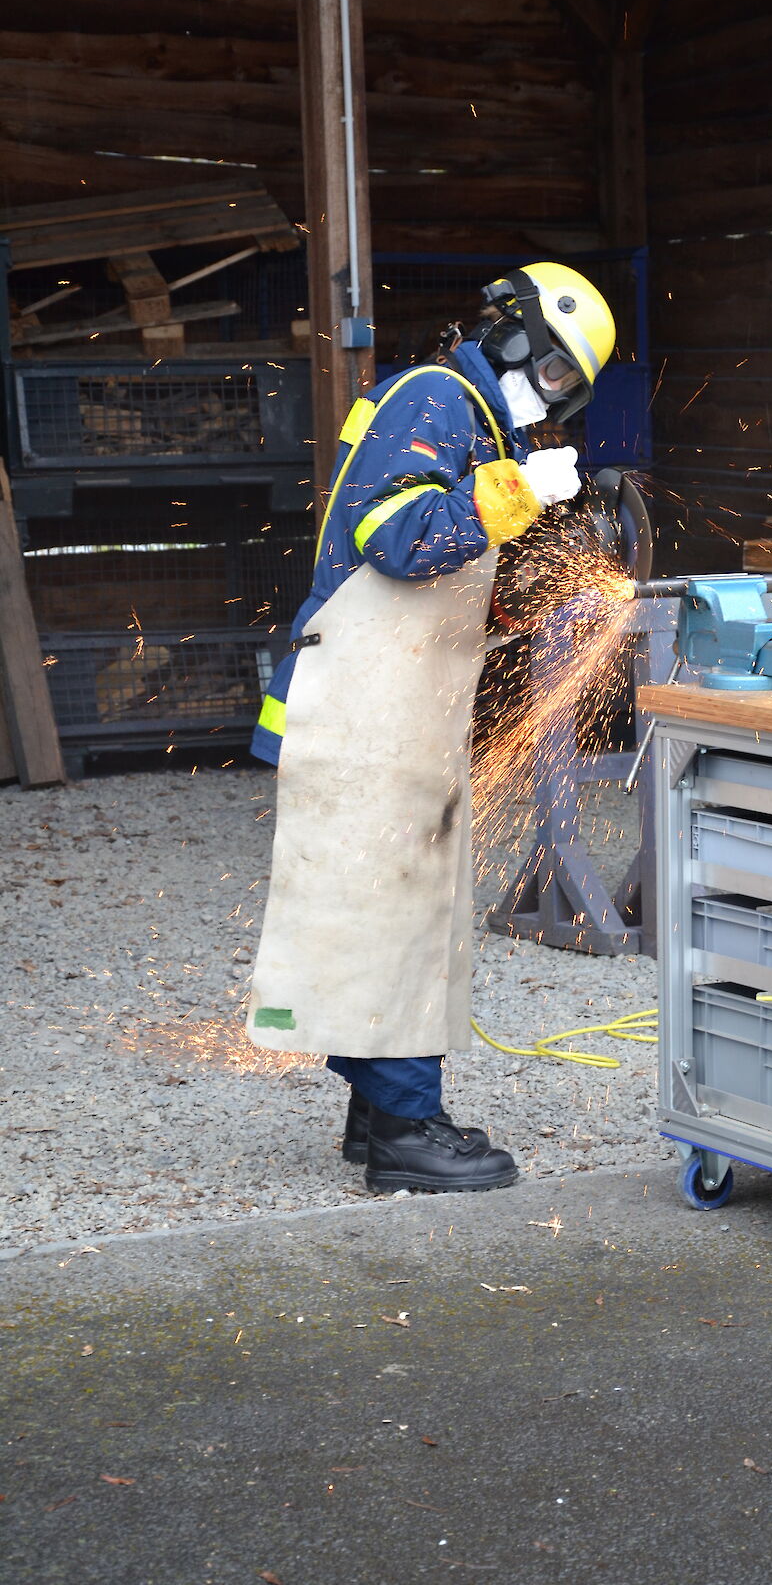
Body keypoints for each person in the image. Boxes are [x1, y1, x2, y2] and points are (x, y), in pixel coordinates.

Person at [245, 262, 616, 1193]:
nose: (555, 395)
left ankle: (379, 1114)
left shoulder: (476, 422)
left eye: (571, 388)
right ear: (520, 335)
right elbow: (400, 543)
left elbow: (451, 582)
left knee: (399, 906)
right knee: (394, 907)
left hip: (389, 700)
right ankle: (408, 1130)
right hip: (358, 702)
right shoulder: (437, 396)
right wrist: (518, 494)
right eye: (558, 371)